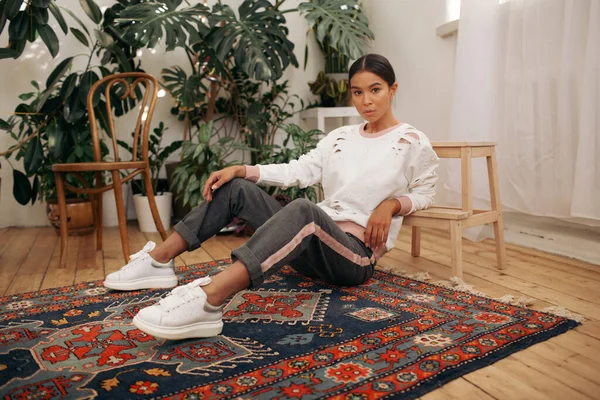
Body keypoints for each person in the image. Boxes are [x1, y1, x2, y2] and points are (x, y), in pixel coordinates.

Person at [104, 53, 440, 340]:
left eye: (375, 90)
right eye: (357, 92)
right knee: (235, 187)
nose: (366, 101)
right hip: (310, 246)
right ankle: (159, 261)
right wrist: (243, 169)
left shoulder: (411, 140)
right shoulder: (340, 137)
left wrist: (392, 204)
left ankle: (210, 299)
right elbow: (299, 170)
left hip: (355, 256)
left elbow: (426, 192)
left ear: (393, 90)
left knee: (305, 211)